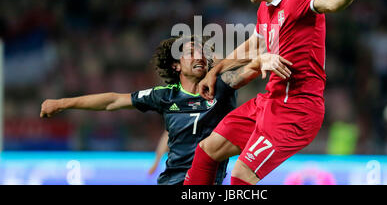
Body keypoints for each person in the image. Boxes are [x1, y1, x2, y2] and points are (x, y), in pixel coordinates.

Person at [183, 0, 373, 185]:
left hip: (297, 110)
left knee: (241, 174)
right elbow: (254, 46)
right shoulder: (266, 8)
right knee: (207, 150)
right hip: (270, 102)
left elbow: (331, 3)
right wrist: (215, 70)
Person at [40, 35, 276, 185]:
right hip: (172, 181)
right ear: (176, 65)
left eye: (202, 51)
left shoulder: (222, 86)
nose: (199, 55)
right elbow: (112, 101)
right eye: (190, 52)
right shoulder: (165, 96)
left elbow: (251, 68)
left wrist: (261, 62)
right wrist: (63, 103)